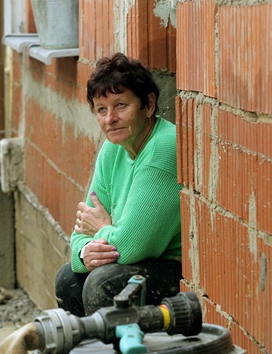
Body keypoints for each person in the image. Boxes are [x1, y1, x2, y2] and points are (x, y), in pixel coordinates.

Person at [54, 53, 183, 318]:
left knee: (104, 283)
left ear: (148, 104)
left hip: (173, 269)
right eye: (101, 109)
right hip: (133, 260)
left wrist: (102, 228)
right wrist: (84, 253)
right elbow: (80, 233)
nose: (109, 118)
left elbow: (129, 247)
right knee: (68, 278)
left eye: (121, 105)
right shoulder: (112, 149)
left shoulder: (162, 147)